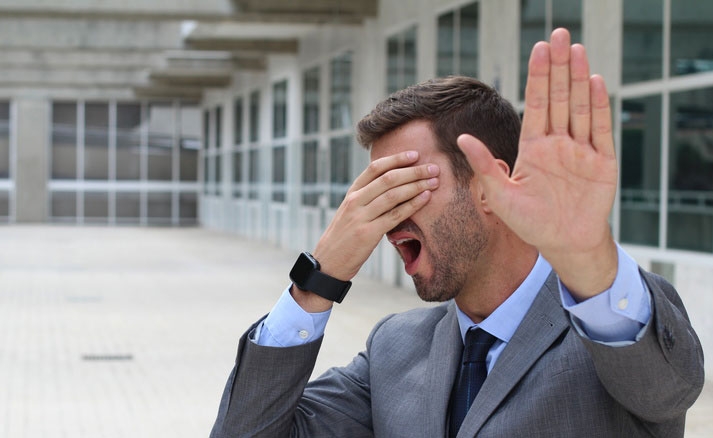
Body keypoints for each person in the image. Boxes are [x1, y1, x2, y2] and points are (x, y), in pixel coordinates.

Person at [210, 28, 704, 438]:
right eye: (377, 194)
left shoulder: (607, 331)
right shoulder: (396, 348)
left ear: (491, 186)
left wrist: (588, 258)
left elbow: (666, 390)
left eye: (406, 187)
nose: (386, 216)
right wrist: (317, 280)